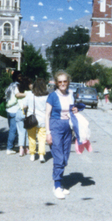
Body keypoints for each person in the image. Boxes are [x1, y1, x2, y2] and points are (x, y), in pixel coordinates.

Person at [45, 70, 84, 199]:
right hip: (55, 126)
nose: (62, 83)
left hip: (68, 128)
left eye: (64, 81)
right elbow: (47, 115)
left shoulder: (71, 94)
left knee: (65, 157)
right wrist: (48, 133)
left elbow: (77, 107)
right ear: (56, 83)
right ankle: (56, 186)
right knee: (59, 157)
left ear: (68, 82)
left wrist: (76, 109)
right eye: (60, 81)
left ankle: (60, 183)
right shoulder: (52, 96)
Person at [25, 78, 49, 162]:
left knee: (31, 137)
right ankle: (41, 155)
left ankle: (32, 155)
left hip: (31, 119)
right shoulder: (46, 96)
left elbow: (24, 106)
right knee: (42, 138)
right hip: (42, 119)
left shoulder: (29, 94)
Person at [5, 71, 25, 155]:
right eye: (20, 76)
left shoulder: (10, 85)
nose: (21, 77)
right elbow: (17, 95)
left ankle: (11, 146)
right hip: (14, 109)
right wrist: (26, 94)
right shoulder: (16, 85)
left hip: (8, 110)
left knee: (11, 129)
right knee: (13, 130)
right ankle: (9, 148)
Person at [15, 77, 31, 157]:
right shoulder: (30, 93)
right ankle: (27, 148)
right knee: (28, 131)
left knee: (20, 132)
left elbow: (16, 95)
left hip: (19, 112)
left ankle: (21, 149)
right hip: (27, 113)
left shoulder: (19, 92)